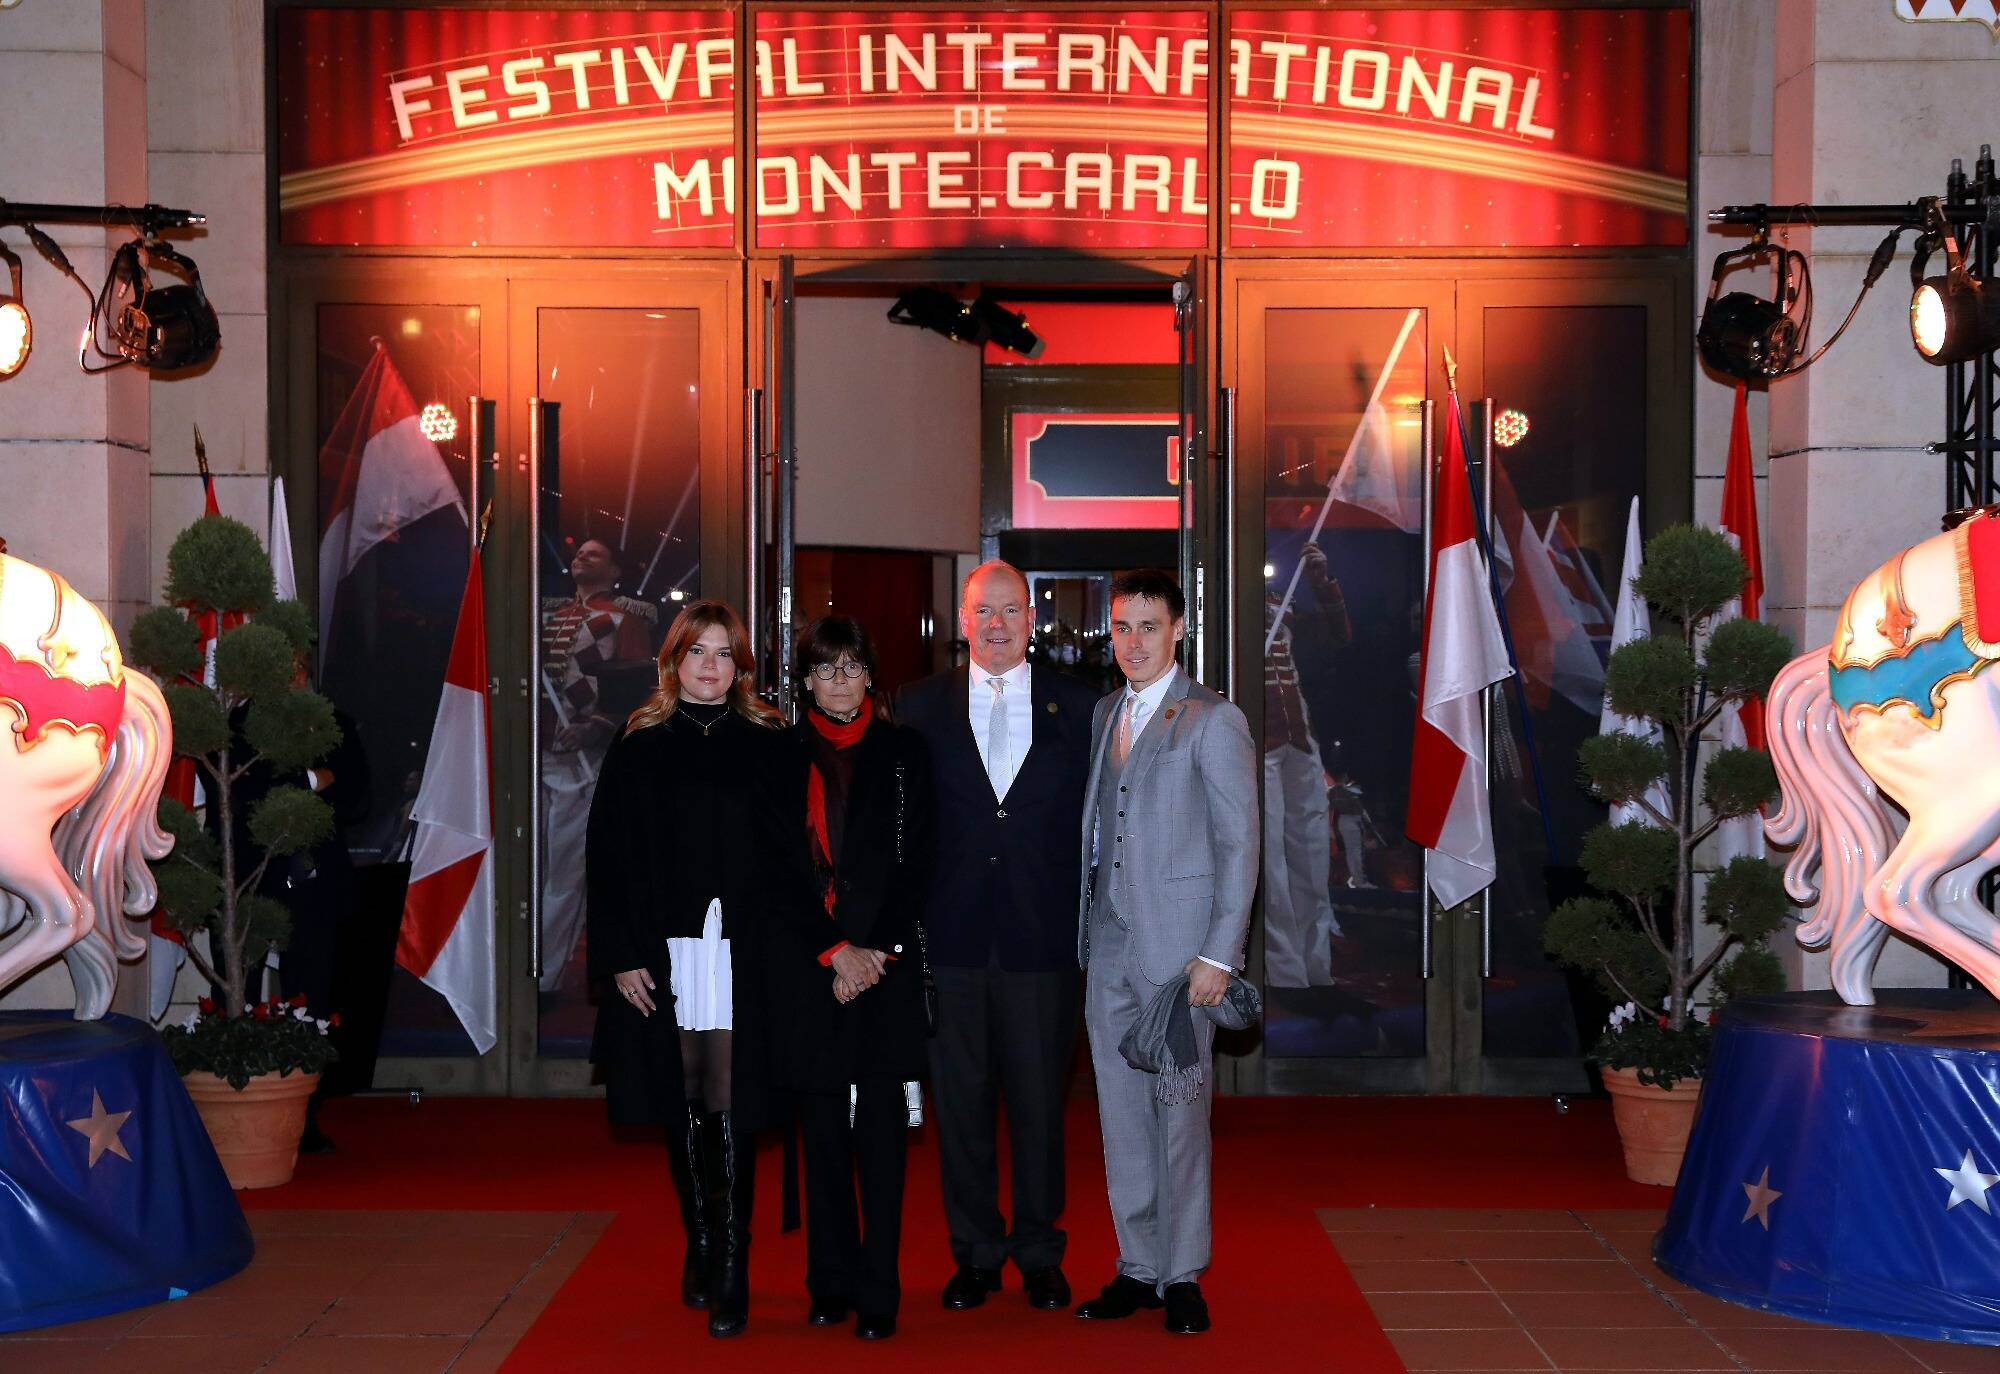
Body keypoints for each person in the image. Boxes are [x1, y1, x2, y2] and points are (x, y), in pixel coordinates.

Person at [584, 599, 792, 1340]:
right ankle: (700, 1244)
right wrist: (620, 956)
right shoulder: (638, 743)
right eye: (697, 652)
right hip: (665, 957)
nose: (711, 665)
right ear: (672, 661)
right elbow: (606, 859)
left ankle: (732, 1263)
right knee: (685, 1106)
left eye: (724, 653)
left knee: (731, 1103)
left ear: (741, 666)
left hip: (746, 958)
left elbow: (793, 861)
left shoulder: (770, 743)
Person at [893, 561, 1098, 1313]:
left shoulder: (1081, 707)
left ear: (1032, 620)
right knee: (962, 1108)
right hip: (949, 942)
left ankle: (1040, 1252)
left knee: (1043, 1109)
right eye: (986, 612)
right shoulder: (916, 706)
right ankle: (975, 1254)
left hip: (1044, 941)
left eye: (1013, 611)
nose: (999, 625)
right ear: (963, 619)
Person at [1074, 568, 1256, 1336]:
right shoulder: (1104, 713)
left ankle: (1183, 1274)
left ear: (1179, 629)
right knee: (1119, 1118)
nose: (1134, 642)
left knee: (1179, 1120)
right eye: (1121, 627)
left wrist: (1220, 954)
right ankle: (1137, 1267)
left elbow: (1240, 843)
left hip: (1182, 962)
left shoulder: (1213, 719)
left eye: (1149, 626)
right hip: (1109, 946)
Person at [769, 617, 934, 1341]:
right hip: (813, 972)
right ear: (804, 680)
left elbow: (920, 864)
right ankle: (828, 1281)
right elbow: (772, 872)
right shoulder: (777, 756)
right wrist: (833, 952)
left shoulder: (906, 753)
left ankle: (879, 1289)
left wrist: (872, 954)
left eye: (852, 666)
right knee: (823, 1131)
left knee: (883, 1139)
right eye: (825, 669)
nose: (840, 681)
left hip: (887, 970)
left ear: (871, 674)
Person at [542, 538, 659, 995]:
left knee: (564, 870)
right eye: (579, 552)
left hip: (587, 760)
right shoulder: (550, 614)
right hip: (541, 751)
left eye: (594, 554)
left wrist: (596, 725)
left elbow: (632, 687)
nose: (581, 558)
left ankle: (547, 977)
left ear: (614, 570)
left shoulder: (626, 617)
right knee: (542, 865)